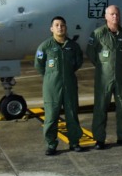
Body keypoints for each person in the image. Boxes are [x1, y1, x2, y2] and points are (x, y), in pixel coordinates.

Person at [86, 5, 122, 150]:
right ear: (106, 17)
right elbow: (90, 52)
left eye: (117, 14)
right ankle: (99, 139)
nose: (115, 17)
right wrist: (102, 66)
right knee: (100, 108)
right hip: (104, 78)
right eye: (112, 14)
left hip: (121, 77)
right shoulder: (98, 34)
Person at [34, 16, 84, 155]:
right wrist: (51, 76)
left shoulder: (73, 46)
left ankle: (75, 143)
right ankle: (51, 144)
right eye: (56, 25)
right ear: (51, 29)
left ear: (66, 28)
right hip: (51, 87)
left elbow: (78, 62)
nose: (60, 27)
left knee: (72, 115)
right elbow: (38, 65)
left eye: (62, 25)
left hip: (69, 85)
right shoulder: (45, 46)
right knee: (51, 117)